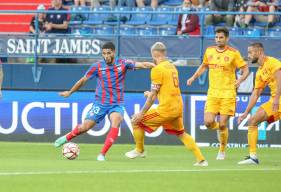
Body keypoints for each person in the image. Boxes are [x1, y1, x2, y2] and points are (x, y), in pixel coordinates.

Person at [54, 42, 155, 161]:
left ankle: (102, 154)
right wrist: (70, 92)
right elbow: (83, 80)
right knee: (84, 127)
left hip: (116, 104)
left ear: (114, 52)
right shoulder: (97, 66)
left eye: (108, 53)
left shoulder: (123, 63)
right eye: (104, 53)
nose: (106, 56)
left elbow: (142, 64)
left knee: (116, 120)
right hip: (100, 104)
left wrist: (155, 66)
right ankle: (66, 138)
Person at [125, 42, 208, 166]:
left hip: (166, 110)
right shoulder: (172, 67)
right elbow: (166, 90)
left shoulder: (157, 70)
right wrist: (150, 94)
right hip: (177, 108)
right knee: (181, 134)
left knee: (135, 121)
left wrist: (142, 113)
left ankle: (140, 150)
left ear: (154, 54)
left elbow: (153, 95)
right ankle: (201, 159)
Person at [187, 27, 249, 160]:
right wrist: (193, 77)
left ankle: (222, 150)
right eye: (216, 37)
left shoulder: (234, 53)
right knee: (208, 122)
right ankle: (220, 131)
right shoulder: (209, 51)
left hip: (228, 93)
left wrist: (240, 80)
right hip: (213, 93)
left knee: (222, 124)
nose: (218, 39)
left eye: (221, 37)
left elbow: (245, 69)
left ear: (227, 38)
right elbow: (204, 65)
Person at [237, 43, 281, 165]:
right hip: (274, 101)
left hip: (277, 100)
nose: (248, 56)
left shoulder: (273, 62)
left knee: (256, 120)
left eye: (250, 52)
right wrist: (245, 113)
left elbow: (280, 79)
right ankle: (253, 157)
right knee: (252, 120)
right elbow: (255, 94)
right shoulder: (259, 72)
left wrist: (277, 98)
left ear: (260, 52)